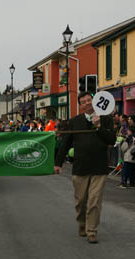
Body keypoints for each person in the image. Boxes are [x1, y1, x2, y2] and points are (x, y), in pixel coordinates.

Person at [54, 92, 116, 244]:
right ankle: (82, 223)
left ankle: (92, 231)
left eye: (89, 100)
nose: (88, 103)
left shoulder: (106, 119)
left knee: (94, 201)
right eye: (84, 102)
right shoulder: (74, 122)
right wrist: (58, 163)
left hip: (99, 168)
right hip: (81, 167)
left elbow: (111, 140)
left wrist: (99, 126)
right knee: (80, 201)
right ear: (80, 106)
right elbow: (66, 143)